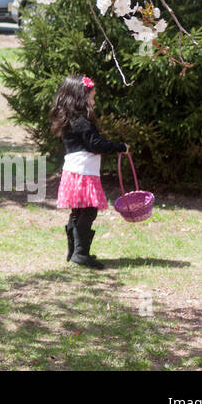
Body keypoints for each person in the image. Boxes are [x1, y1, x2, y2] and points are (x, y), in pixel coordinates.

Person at [51, 74, 127, 269]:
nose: (93, 100)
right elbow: (95, 144)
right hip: (83, 172)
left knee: (78, 211)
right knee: (89, 210)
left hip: (73, 171)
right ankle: (80, 253)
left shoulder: (71, 120)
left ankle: (74, 252)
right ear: (81, 98)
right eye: (91, 97)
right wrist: (119, 147)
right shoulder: (82, 122)